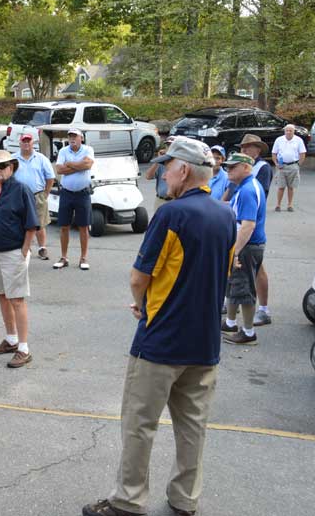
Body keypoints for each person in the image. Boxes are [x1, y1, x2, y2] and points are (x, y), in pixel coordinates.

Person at [82, 138, 235, 516]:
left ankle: (129, 500)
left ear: (184, 170)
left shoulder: (171, 214)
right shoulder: (225, 214)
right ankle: (185, 499)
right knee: (193, 426)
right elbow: (226, 271)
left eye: (168, 166)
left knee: (139, 424)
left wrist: (142, 304)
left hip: (162, 340)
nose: (164, 173)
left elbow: (139, 276)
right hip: (204, 343)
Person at [0, 150, 39, 368]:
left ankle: (24, 348)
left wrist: (24, 251)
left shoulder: (21, 189)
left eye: (2, 166)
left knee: (17, 299)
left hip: (14, 252)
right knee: (2, 295)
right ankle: (11, 339)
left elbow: (32, 224)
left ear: (11, 167)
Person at [221, 153, 267, 346]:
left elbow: (248, 225)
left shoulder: (247, 190)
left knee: (244, 288)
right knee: (234, 284)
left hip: (247, 246)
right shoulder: (245, 187)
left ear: (247, 168)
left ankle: (248, 333)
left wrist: (235, 251)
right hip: (245, 245)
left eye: (233, 167)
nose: (228, 170)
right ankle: (230, 323)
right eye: (227, 167)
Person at [236, 134, 273, 326]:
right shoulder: (241, 167)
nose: (243, 150)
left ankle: (263, 309)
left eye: (248, 147)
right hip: (241, 220)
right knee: (251, 268)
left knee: (256, 268)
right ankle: (232, 304)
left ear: (258, 149)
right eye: (242, 147)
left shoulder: (262, 168)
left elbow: (260, 196)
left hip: (251, 223)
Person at [54, 129, 94, 270]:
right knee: (64, 226)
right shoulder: (63, 151)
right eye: (70, 136)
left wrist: (69, 163)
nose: (72, 139)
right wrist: (79, 165)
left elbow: (88, 165)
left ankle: (83, 258)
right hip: (66, 193)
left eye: (75, 136)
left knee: (83, 226)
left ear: (81, 138)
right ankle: (64, 257)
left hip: (83, 193)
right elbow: (59, 170)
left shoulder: (88, 149)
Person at [12, 133, 55, 260]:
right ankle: (25, 247)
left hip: (37, 195)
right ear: (19, 143)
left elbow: (50, 177)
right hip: (18, 196)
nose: (26, 143)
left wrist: (45, 194)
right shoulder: (13, 159)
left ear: (33, 143)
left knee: (39, 224)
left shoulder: (41, 158)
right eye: (24, 141)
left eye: (28, 141)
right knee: (20, 223)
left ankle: (42, 248)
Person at [272, 124, 306, 212]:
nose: (288, 132)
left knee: (291, 187)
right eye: (287, 130)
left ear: (294, 131)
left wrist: (298, 165)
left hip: (293, 166)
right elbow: (274, 153)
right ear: (284, 131)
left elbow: (302, 153)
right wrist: (276, 163)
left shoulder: (298, 140)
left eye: (290, 131)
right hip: (281, 166)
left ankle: (290, 205)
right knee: (281, 187)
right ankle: (278, 205)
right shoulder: (279, 140)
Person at [145, 136, 176, 209]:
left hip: (174, 201)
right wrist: (158, 160)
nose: (169, 147)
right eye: (167, 145)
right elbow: (148, 176)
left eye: (171, 145)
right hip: (160, 200)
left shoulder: (180, 163)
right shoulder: (161, 162)